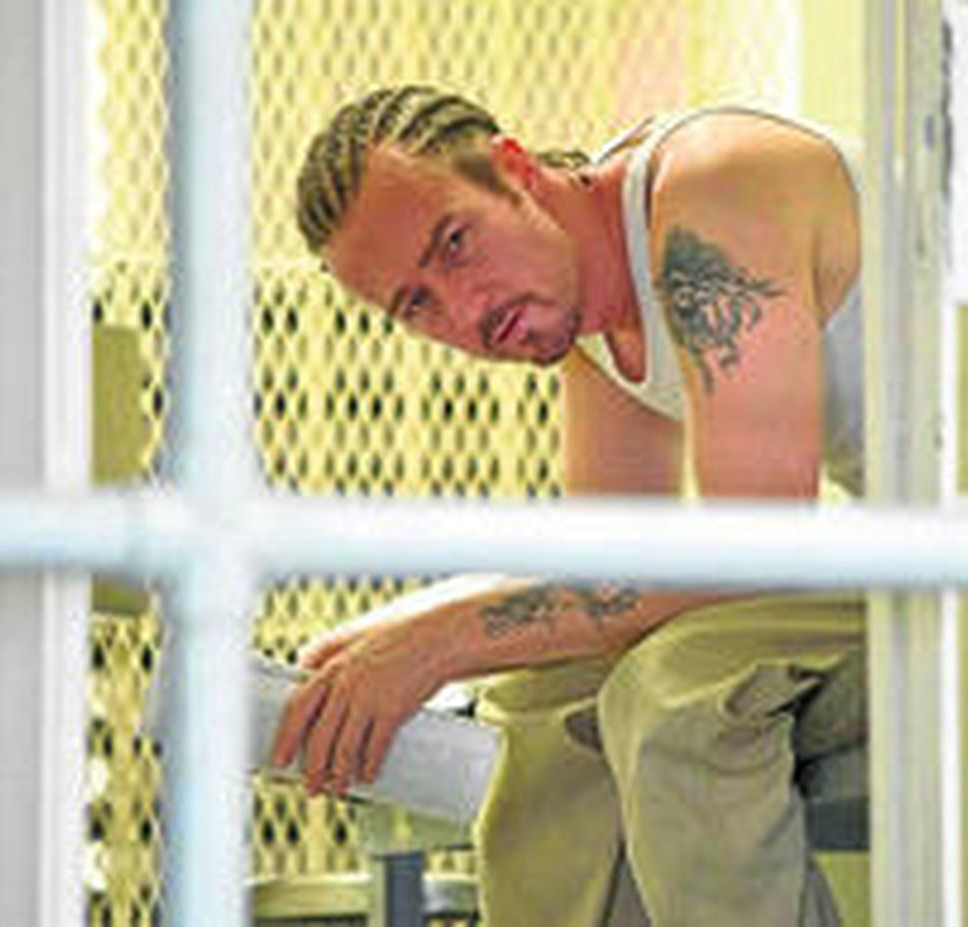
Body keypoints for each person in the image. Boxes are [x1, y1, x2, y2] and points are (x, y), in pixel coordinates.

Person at [271, 84, 871, 927]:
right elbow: (613, 577)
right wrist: (405, 632)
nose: (466, 311)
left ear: (515, 169)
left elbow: (754, 546)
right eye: (418, 305)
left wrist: (444, 639)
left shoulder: (712, 190)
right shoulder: (588, 311)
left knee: (679, 694)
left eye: (455, 243)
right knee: (545, 705)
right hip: (905, 560)